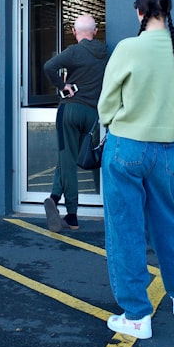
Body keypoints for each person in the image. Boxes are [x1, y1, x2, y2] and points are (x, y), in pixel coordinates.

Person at [97, 0, 174, 339]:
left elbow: (107, 102)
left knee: (126, 230)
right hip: (168, 149)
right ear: (168, 10)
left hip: (127, 146)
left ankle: (137, 315)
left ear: (139, 11)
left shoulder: (128, 48)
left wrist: (112, 121)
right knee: (167, 223)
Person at [42, 14, 109, 232]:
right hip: (92, 114)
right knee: (76, 158)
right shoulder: (104, 53)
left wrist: (62, 86)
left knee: (67, 159)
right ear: (96, 31)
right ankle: (53, 197)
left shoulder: (74, 51)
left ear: (73, 31)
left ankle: (72, 215)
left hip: (69, 110)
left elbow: (48, 66)